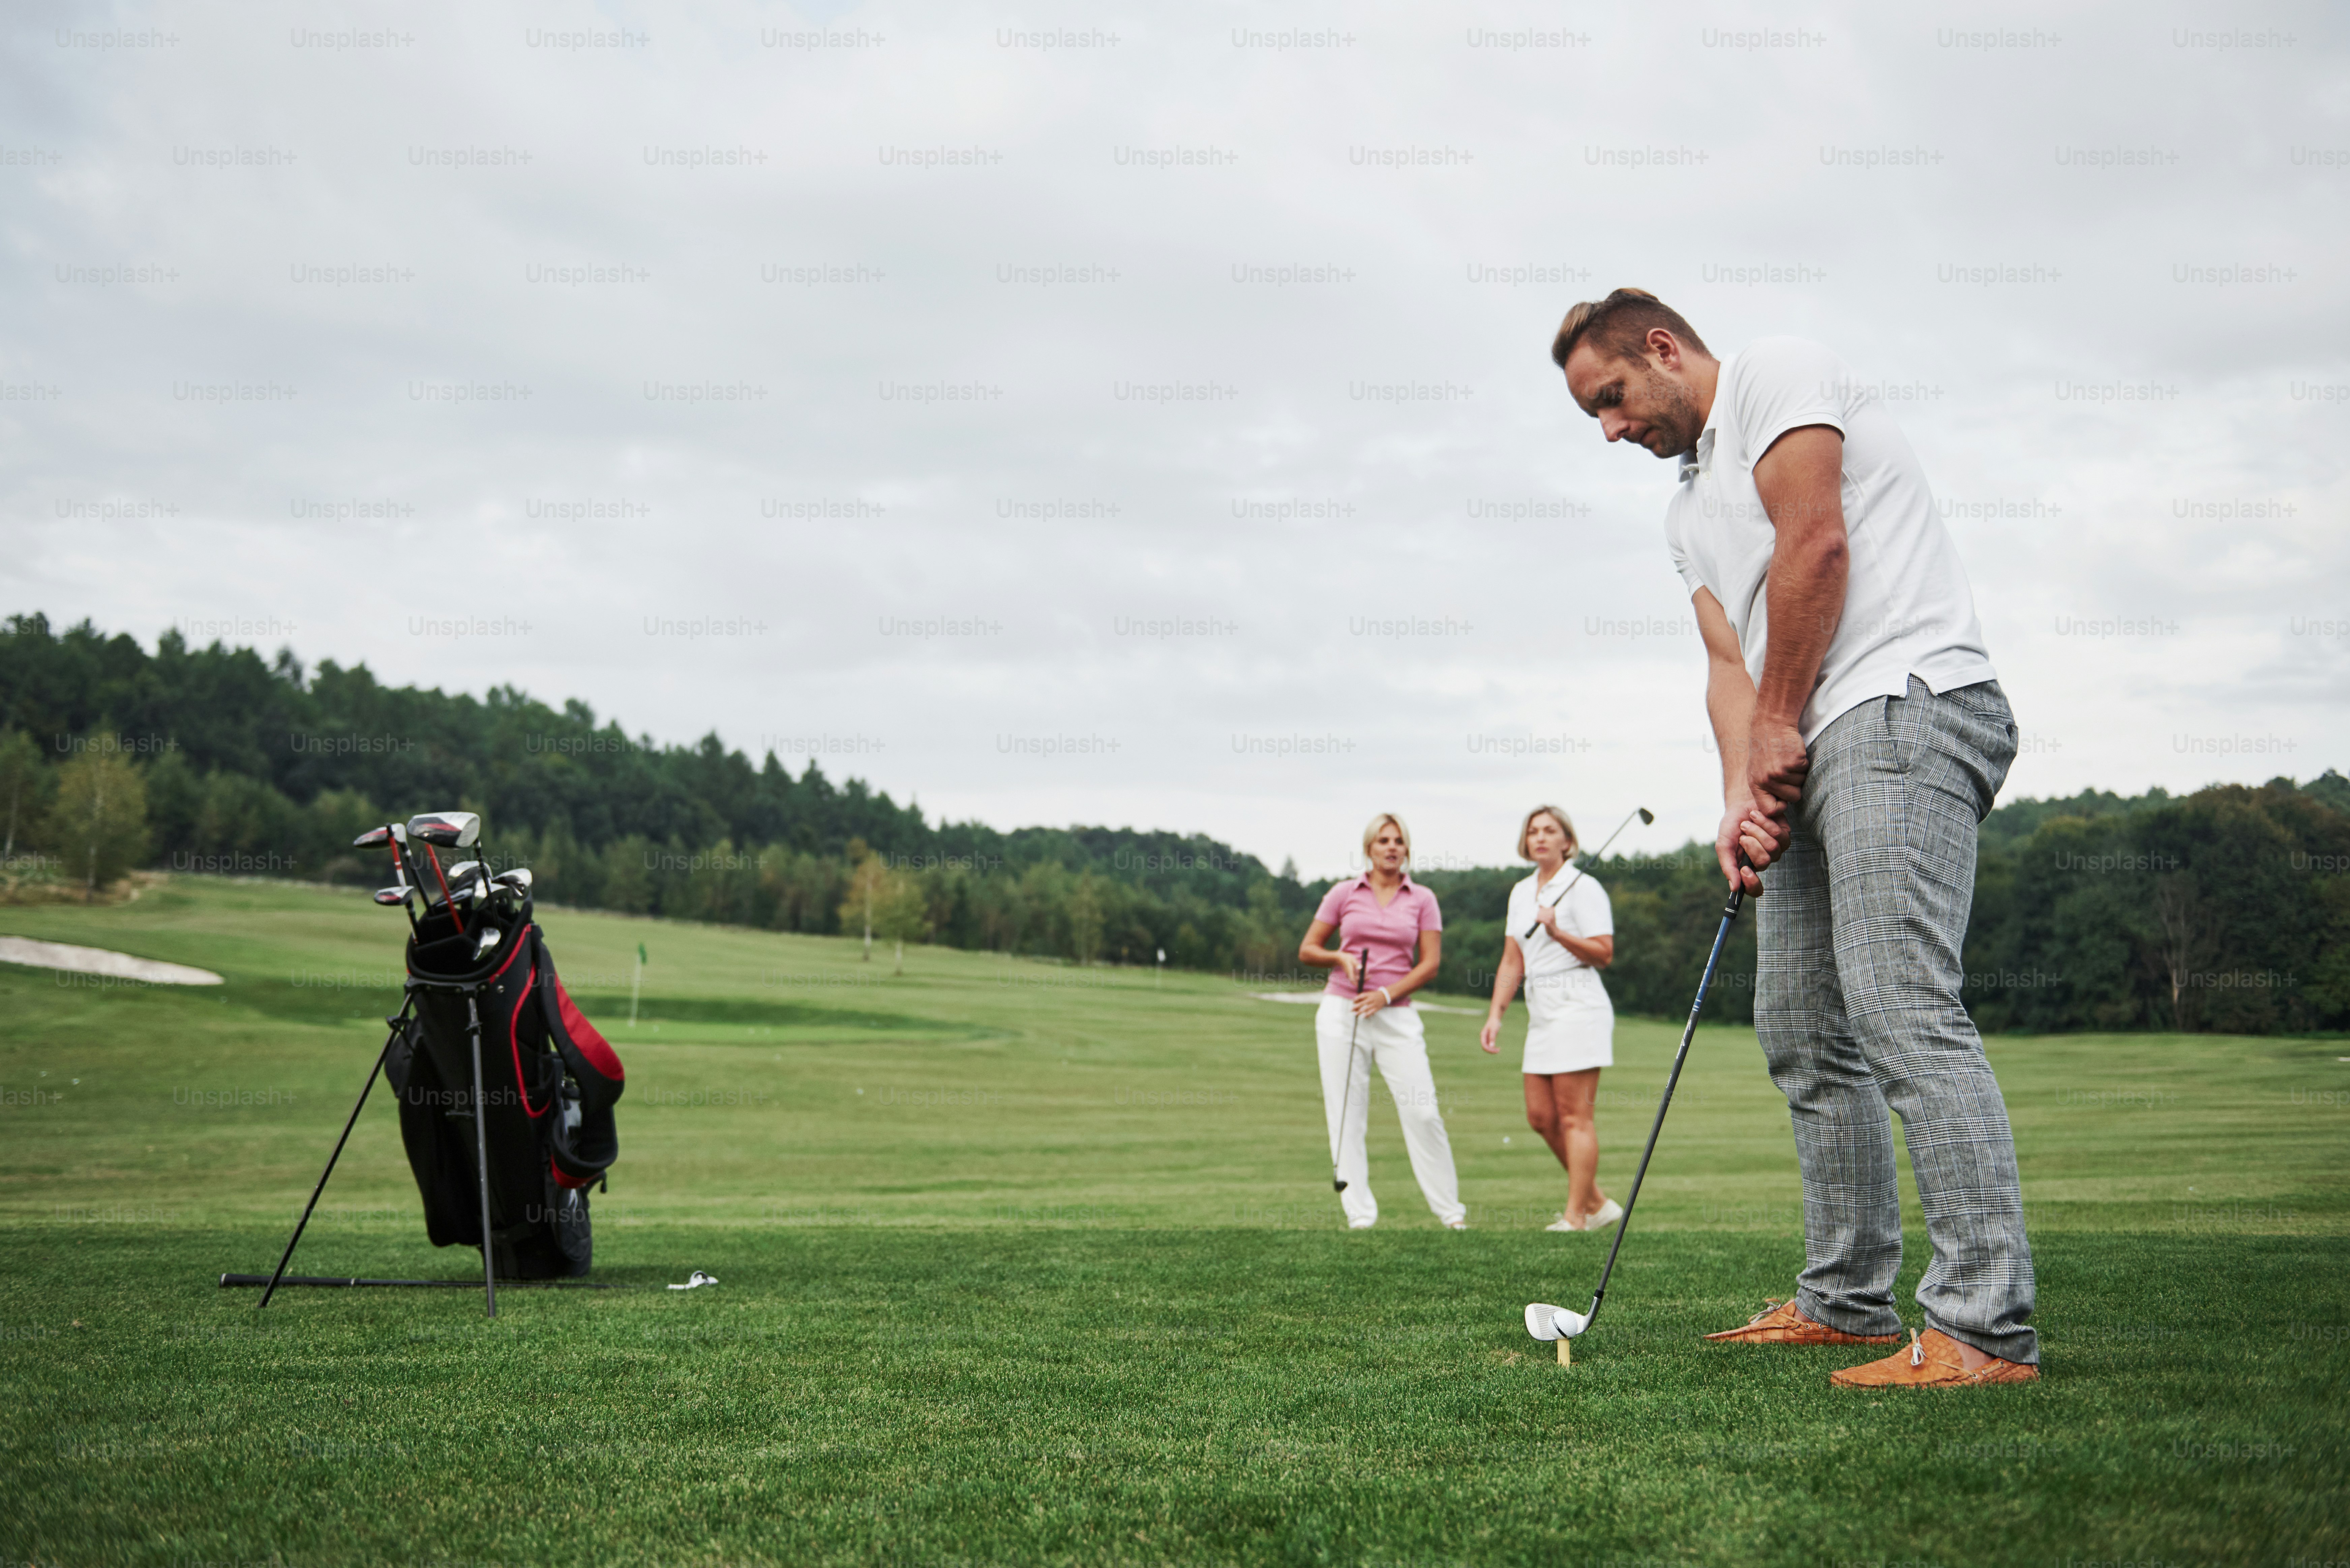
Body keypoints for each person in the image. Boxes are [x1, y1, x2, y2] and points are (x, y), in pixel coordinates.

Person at [1550, 288, 2038, 1388]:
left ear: (1663, 349)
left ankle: (1984, 1328)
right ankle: (1849, 1298)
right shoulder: (1684, 513)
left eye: (1614, 399)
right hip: (1808, 733)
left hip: (1905, 701)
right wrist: (1740, 793)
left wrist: (1780, 722)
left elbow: (1817, 547)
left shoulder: (1777, 371)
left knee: (1896, 999)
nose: (1613, 430)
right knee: (1799, 1023)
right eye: (1594, 416)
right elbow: (1728, 663)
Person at [1297, 813, 1467, 1230]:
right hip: (1343, 1011)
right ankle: (1360, 1215)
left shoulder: (1422, 899)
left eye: (1398, 841)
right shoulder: (1343, 893)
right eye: (1383, 841)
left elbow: (1430, 964)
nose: (1391, 847)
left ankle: (1451, 1214)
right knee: (1346, 1114)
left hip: (1397, 1015)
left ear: (1406, 849)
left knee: (1424, 1112)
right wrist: (1340, 957)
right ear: (1369, 848)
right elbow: (1308, 949)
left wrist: (1387, 994)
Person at [1478, 805, 1622, 1233]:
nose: (1540, 837)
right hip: (1541, 1009)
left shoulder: (1585, 887)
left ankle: (1576, 1217)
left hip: (1579, 1004)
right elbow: (1511, 960)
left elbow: (1604, 953)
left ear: (1567, 841)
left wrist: (1559, 932)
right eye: (1533, 831)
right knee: (1540, 1116)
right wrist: (1496, 1015)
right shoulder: (1521, 892)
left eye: (1550, 830)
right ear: (1526, 842)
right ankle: (1597, 1203)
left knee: (1574, 1115)